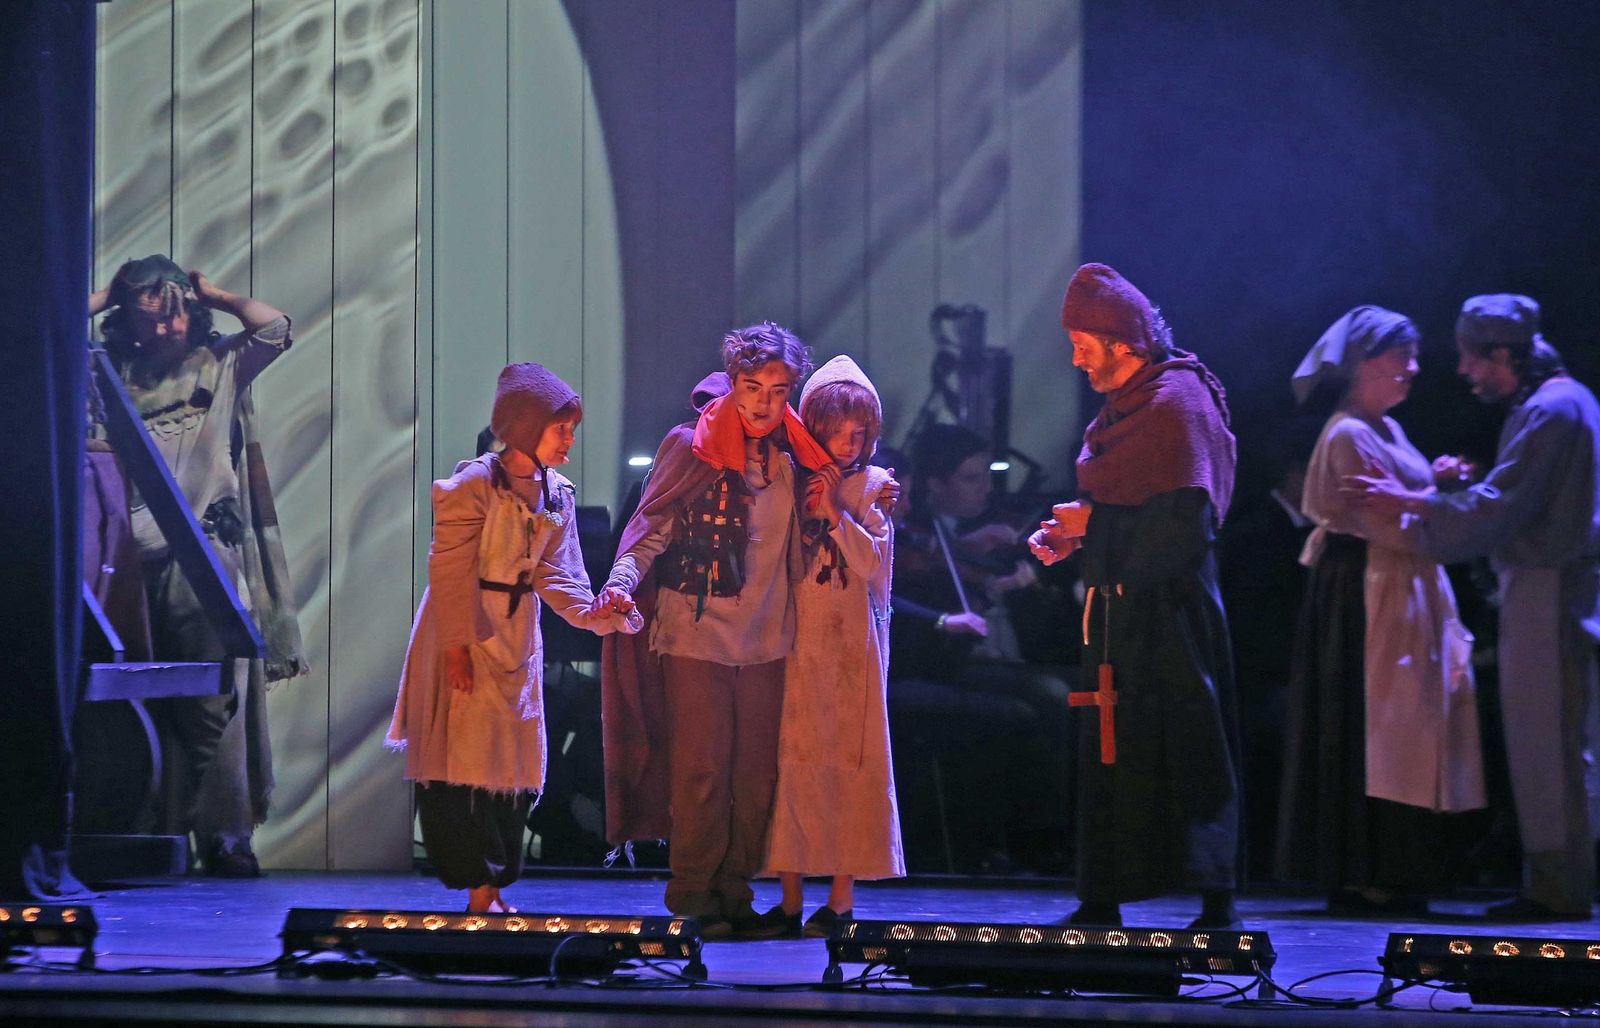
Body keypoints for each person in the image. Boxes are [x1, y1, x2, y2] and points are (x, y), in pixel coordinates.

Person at [1344, 294, 1600, 920]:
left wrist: (1414, 501)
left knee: (1547, 739)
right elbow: (1509, 497)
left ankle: (1557, 887)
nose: (1463, 372)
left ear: (1503, 354)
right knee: (1565, 739)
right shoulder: (1567, 401)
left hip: (1548, 584)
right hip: (1560, 581)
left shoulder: (1551, 409)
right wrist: (1453, 492)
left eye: (1470, 358)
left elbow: (1501, 508)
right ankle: (1560, 879)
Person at [597, 323, 831, 939]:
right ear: (732, 383)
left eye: (779, 390)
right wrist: (622, 579)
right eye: (753, 387)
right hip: (696, 632)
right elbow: (652, 524)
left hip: (767, 635)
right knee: (702, 768)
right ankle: (694, 893)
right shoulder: (691, 445)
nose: (764, 402)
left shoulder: (794, 454)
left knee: (755, 775)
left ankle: (735, 890)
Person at [1029, 262, 1242, 929]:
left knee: (1190, 746)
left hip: (1173, 612)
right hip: (1121, 611)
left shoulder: (1178, 404)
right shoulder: (1127, 407)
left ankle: (1216, 901)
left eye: (1083, 344)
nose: (1075, 359)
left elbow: (1185, 528)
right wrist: (1078, 541)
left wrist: (1095, 528)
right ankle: (1102, 898)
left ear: (1122, 340)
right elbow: (1127, 507)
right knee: (1110, 751)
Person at [388, 362, 640, 913]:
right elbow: (449, 568)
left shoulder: (559, 493)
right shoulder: (474, 485)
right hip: (465, 628)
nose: (569, 438)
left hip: (517, 635)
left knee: (511, 763)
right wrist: (455, 647)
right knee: (461, 762)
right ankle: (479, 889)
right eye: (560, 427)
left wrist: (598, 613)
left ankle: (495, 887)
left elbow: (557, 574)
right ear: (526, 428)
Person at [91, 255, 306, 877]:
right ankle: (151, 831)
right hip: (122, 560)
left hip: (202, 555)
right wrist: (109, 294)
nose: (168, 327)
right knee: (131, 702)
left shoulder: (218, 364)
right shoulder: (107, 376)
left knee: (212, 702)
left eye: (180, 310)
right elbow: (45, 336)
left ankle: (222, 833)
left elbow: (273, 328)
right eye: (151, 313)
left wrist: (217, 292)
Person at [1275, 306, 1486, 914]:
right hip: (1368, 587)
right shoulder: (1348, 434)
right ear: (1365, 362)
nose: (1413, 370)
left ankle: (1397, 865)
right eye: (1402, 357)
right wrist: (1436, 503)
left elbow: (1404, 506)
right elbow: (1382, 522)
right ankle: (1367, 863)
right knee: (1383, 724)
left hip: (1402, 583)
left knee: (1409, 721)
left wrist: (1436, 489)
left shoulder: (1386, 430)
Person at [761, 355, 904, 937]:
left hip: (853, 650)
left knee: (850, 763)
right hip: (798, 642)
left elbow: (874, 564)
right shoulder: (789, 481)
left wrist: (835, 515)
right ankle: (790, 899)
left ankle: (841, 900)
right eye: (840, 428)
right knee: (791, 764)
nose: (850, 440)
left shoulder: (873, 487)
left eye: (860, 430)